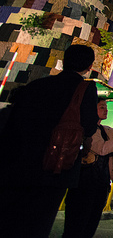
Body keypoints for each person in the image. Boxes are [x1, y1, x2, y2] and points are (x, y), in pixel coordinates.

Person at [0, 45, 99, 238]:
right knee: (39, 220)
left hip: (21, 161)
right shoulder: (85, 88)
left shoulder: (37, 85)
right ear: (89, 66)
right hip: (56, 162)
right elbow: (88, 126)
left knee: (12, 218)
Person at [63, 97, 113, 237]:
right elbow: (103, 149)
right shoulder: (86, 130)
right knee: (76, 226)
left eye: (106, 107)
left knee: (90, 225)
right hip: (84, 183)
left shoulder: (107, 130)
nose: (106, 110)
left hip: (101, 183)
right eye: (102, 107)